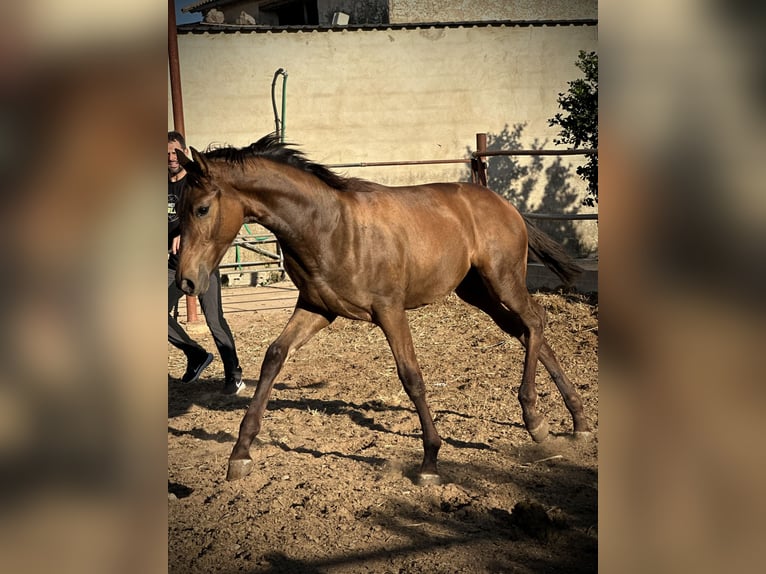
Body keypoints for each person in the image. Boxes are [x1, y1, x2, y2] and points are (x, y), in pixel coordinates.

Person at [168, 131, 244, 395]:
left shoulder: (194, 184)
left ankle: (233, 373)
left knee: (214, 320)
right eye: (166, 154)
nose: (171, 158)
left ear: (184, 154)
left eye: (175, 153)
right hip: (172, 265)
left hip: (201, 262)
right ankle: (196, 355)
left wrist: (181, 232)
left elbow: (203, 214)